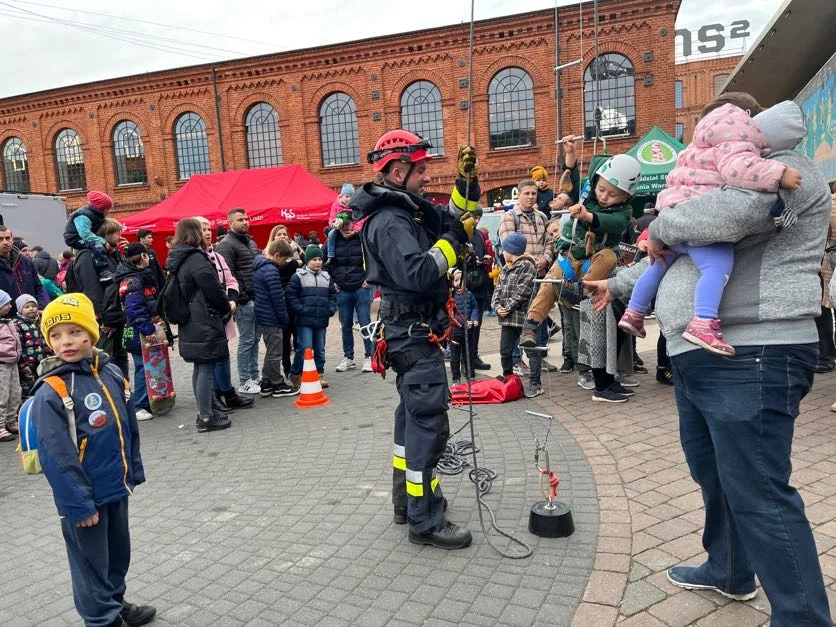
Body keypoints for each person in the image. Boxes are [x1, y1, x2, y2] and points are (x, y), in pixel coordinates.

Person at [587, 90, 832, 625]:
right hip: (701, 355)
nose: (705, 147)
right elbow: (679, 261)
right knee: (716, 475)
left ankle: (804, 618)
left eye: (714, 133)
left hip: (753, 352)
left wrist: (658, 222)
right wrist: (617, 283)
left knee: (760, 490)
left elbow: (721, 219)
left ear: (743, 126)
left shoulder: (778, 170)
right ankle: (728, 569)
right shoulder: (723, 174)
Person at [350, 129, 480, 549]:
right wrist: (452, 244)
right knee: (428, 429)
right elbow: (419, 272)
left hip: (411, 334)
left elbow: (455, 217)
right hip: (414, 336)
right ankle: (426, 521)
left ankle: (407, 505)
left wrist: (466, 184)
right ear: (398, 169)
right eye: (421, 170)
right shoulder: (390, 222)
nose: (427, 178)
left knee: (411, 425)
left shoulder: (406, 211)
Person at [618, 98, 805, 356]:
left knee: (657, 264)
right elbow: (740, 170)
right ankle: (703, 321)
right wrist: (779, 173)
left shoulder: (693, 149)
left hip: (673, 213)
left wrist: (662, 228)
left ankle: (634, 311)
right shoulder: (733, 142)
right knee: (716, 267)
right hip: (700, 224)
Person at [31, 293, 155, 627]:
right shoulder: (52, 391)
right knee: (90, 565)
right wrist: (79, 505)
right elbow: (56, 457)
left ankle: (115, 601)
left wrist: (134, 471)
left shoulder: (110, 373)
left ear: (92, 333)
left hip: (115, 486)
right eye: (55, 335)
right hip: (83, 500)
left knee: (117, 555)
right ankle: (102, 619)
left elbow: (127, 427)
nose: (65, 341)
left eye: (74, 332)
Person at [519, 148, 639, 350]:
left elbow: (615, 223)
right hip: (571, 256)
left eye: (612, 195)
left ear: (626, 197)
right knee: (549, 283)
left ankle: (583, 289)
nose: (604, 197)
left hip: (594, 262)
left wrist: (588, 216)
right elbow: (572, 184)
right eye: (601, 190)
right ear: (596, 183)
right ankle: (531, 325)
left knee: (609, 256)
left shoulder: (624, 212)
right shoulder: (586, 194)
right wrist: (571, 156)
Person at [166, 219, 232, 433]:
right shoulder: (196, 258)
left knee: (200, 367)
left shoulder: (178, 257)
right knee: (206, 368)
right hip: (203, 318)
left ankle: (205, 410)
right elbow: (213, 289)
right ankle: (205, 416)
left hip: (191, 319)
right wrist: (225, 307)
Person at [195, 217, 254, 414]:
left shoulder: (217, 256)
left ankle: (227, 392)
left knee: (223, 354)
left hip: (224, 312)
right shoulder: (195, 258)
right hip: (206, 315)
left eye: (208, 228)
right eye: (202, 229)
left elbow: (231, 279)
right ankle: (215, 396)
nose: (207, 232)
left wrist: (232, 300)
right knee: (210, 358)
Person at [69, 218, 130, 378]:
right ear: (106, 234)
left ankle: (123, 393)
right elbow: (91, 290)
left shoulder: (110, 254)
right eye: (117, 232)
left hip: (116, 316)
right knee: (104, 359)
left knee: (120, 356)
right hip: (102, 319)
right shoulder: (87, 256)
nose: (120, 236)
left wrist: (125, 255)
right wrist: (103, 319)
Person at [215, 208, 262, 395]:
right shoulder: (226, 245)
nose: (245, 222)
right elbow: (227, 275)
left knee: (255, 339)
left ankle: (254, 374)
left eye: (247, 218)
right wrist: (241, 297)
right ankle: (244, 380)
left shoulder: (250, 242)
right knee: (247, 340)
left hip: (256, 297)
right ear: (230, 223)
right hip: (244, 301)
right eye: (241, 219)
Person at [115, 243, 159, 422]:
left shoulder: (139, 277)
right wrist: (147, 328)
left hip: (140, 328)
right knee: (142, 367)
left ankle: (148, 400)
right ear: (142, 256)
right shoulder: (134, 280)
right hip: (137, 331)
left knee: (148, 365)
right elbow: (134, 309)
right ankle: (139, 405)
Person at [287, 245, 336, 389]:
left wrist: (331, 309)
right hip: (304, 320)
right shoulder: (298, 277)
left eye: (320, 259)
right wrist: (300, 309)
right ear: (307, 260)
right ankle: (296, 373)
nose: (318, 262)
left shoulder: (326, 277)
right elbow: (291, 295)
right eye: (314, 259)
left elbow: (333, 295)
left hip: (321, 320)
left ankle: (319, 373)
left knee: (320, 348)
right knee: (304, 347)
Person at [491, 233, 538, 386]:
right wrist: (497, 307)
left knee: (531, 350)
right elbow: (497, 290)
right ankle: (509, 378)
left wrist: (508, 307)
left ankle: (535, 382)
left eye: (504, 249)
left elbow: (523, 291)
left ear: (512, 251)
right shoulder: (505, 268)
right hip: (508, 319)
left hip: (524, 317)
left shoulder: (527, 266)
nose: (502, 252)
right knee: (505, 350)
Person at [330, 211, 374, 373]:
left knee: (365, 324)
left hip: (361, 287)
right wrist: (332, 282)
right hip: (342, 288)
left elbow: (372, 257)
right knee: (346, 325)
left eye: (349, 222)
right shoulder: (333, 239)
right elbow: (329, 261)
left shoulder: (361, 238)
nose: (347, 226)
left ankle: (369, 356)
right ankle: (348, 357)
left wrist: (369, 278)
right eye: (344, 223)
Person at [252, 240, 297, 398]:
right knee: (275, 352)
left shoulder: (259, 266)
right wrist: (284, 318)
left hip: (264, 315)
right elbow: (278, 298)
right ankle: (277, 384)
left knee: (271, 350)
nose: (284, 263)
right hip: (272, 316)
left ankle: (266, 382)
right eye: (284, 259)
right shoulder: (271, 270)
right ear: (277, 255)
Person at [268, 225, 304, 380]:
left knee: (298, 335)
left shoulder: (296, 249)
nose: (282, 236)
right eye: (279, 234)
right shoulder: (268, 253)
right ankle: (287, 368)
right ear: (274, 237)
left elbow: (304, 262)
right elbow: (281, 269)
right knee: (284, 338)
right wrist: (294, 264)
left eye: (284, 234)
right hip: (280, 300)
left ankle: (299, 368)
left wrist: (295, 264)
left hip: (295, 296)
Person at [460, 207, 492, 371]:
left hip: (479, 284)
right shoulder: (459, 234)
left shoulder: (479, 234)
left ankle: (473, 356)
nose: (475, 221)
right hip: (463, 285)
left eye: (477, 218)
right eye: (473, 217)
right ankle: (464, 359)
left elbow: (485, 252)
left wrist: (485, 259)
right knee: (464, 324)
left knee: (476, 323)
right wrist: (472, 262)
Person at [63, 191, 116, 283]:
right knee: (97, 246)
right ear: (101, 208)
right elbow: (85, 234)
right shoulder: (83, 215)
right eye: (107, 209)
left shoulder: (96, 215)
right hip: (75, 238)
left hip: (84, 237)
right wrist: (103, 242)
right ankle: (103, 272)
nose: (108, 211)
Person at [0, 225, 47, 310]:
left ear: (11, 239)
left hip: (30, 317)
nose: (5, 242)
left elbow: (38, 287)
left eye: (7, 238)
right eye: (0, 239)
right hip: (5, 319)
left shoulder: (26, 261)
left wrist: (40, 307)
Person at [14, 293, 50, 401]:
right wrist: (22, 364)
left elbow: (44, 340)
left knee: (42, 385)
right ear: (20, 310)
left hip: (41, 362)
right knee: (28, 390)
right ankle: (27, 409)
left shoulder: (40, 322)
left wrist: (48, 355)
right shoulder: (17, 325)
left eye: (34, 306)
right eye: (27, 307)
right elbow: (18, 346)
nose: (31, 309)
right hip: (26, 365)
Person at [448, 269, 479, 385]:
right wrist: (464, 322)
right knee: (455, 357)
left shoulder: (469, 294)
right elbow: (452, 313)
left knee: (469, 355)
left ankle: (470, 375)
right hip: (456, 332)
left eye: (461, 280)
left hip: (469, 331)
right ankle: (456, 378)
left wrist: (474, 319)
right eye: (456, 280)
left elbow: (475, 307)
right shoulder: (451, 296)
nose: (459, 283)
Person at [0, 290, 20, 442]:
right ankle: (0, 426)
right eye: (6, 303)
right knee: (2, 396)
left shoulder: (8, 322)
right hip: (2, 365)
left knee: (15, 392)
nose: (10, 306)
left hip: (12, 363)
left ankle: (11, 420)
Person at [326, 183, 357, 260]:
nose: (349, 199)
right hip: (339, 227)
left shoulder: (356, 205)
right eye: (347, 196)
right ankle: (331, 255)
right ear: (341, 196)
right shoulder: (336, 205)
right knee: (331, 234)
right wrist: (333, 224)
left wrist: (355, 230)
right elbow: (332, 218)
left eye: (351, 196)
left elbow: (361, 219)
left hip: (353, 228)